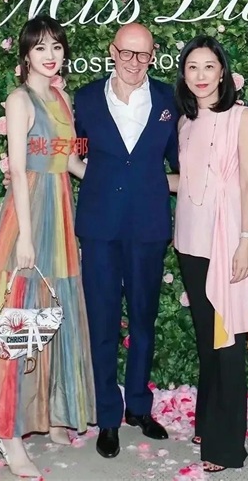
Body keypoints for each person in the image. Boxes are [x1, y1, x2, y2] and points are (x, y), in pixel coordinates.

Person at [0, 15, 96, 477]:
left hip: (60, 211)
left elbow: (72, 164)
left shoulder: (61, 98)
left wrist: (123, 181)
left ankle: (51, 413)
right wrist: (24, 233)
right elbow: (19, 171)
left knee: (54, 309)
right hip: (28, 214)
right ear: (25, 55)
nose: (50, 55)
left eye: (57, 47)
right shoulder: (19, 100)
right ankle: (7, 433)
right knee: (18, 316)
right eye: (41, 47)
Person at [167, 36, 248, 473]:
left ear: (223, 72)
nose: (200, 75)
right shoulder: (184, 122)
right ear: (183, 74)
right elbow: (187, 181)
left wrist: (246, 239)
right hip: (190, 243)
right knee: (206, 341)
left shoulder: (241, 116)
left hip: (229, 239)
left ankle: (226, 447)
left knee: (227, 341)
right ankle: (206, 421)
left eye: (209, 66)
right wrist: (132, 177)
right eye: (192, 67)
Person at [74, 23, 179, 458]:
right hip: (99, 227)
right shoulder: (84, 99)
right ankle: (108, 417)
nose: (134, 63)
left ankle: (138, 407)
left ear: (153, 56)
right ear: (112, 51)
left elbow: (184, 163)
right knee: (102, 324)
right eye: (127, 53)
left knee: (142, 320)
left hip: (149, 228)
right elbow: (68, 154)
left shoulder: (170, 100)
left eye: (143, 55)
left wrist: (157, 186)